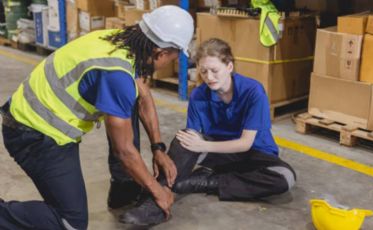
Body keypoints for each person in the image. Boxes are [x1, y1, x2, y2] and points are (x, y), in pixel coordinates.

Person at [0, 5, 194, 230]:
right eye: (174, 56)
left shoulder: (119, 41)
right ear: (161, 53)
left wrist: (158, 148)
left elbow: (143, 97)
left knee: (125, 102)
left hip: (31, 118)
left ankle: (124, 189)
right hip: (34, 134)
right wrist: (157, 191)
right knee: (69, 223)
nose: (172, 62)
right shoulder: (117, 75)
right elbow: (125, 151)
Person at [120, 38, 296, 226]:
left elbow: (245, 143)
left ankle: (207, 182)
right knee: (183, 140)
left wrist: (203, 145)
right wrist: (191, 148)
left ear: (229, 66)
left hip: (255, 154)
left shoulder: (253, 91)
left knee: (285, 178)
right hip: (219, 155)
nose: (209, 77)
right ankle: (153, 203)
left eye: (214, 70)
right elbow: (191, 138)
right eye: (203, 71)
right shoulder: (198, 94)